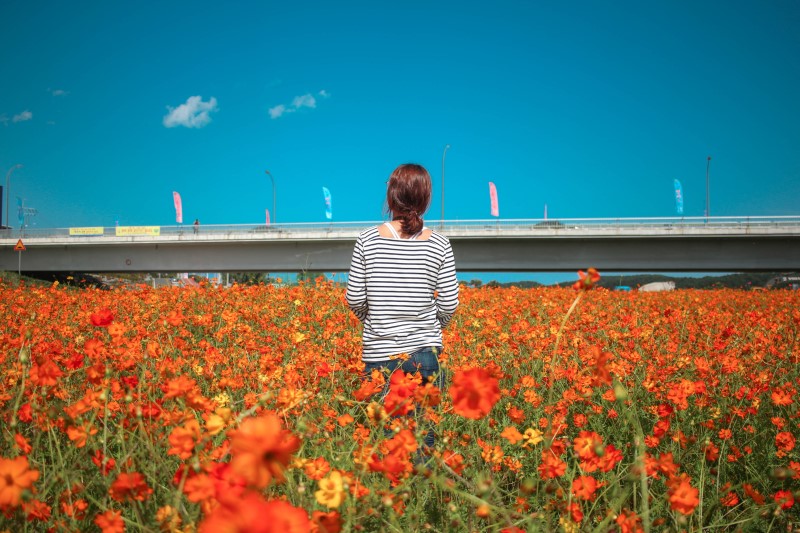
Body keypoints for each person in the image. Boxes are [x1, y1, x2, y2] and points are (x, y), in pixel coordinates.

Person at [345, 163, 459, 450]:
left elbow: (355, 297)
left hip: (379, 355)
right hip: (426, 354)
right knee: (424, 441)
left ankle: (391, 494)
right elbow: (449, 303)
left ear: (391, 196)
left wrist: (374, 320)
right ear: (425, 199)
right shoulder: (440, 244)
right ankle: (421, 493)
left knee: (387, 446)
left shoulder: (367, 240)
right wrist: (432, 329)